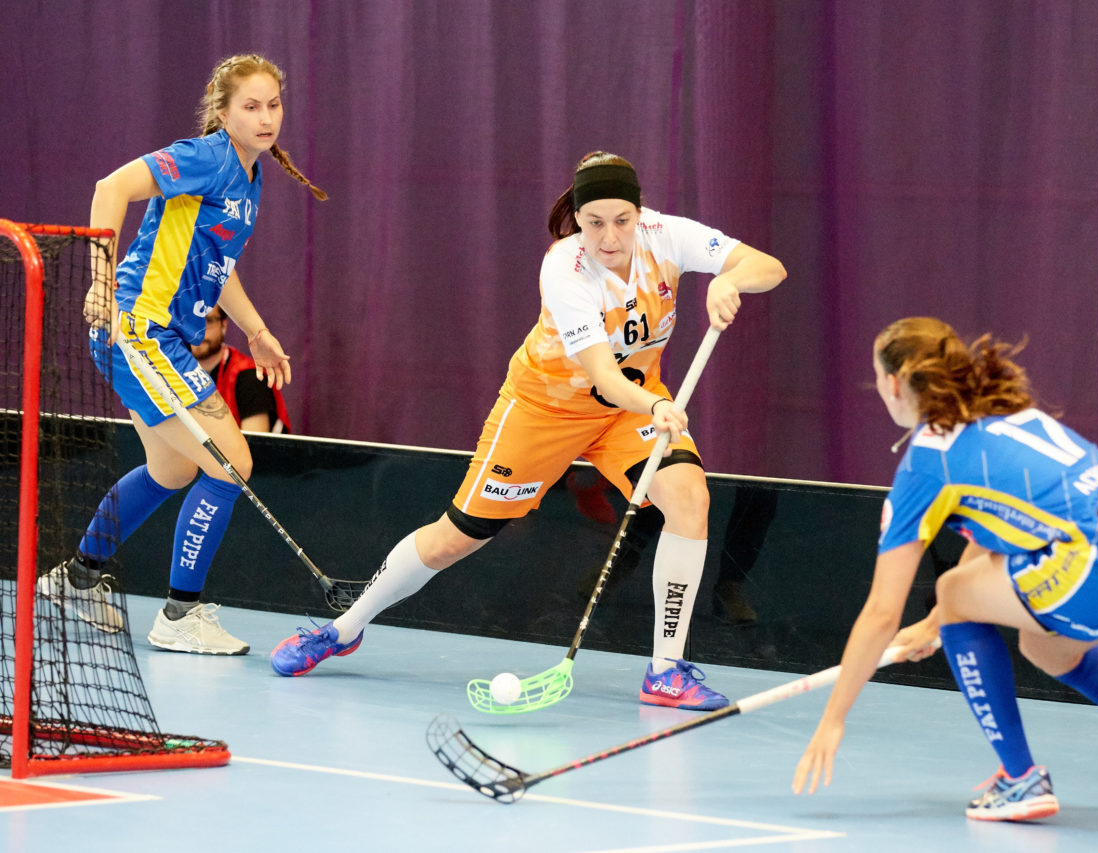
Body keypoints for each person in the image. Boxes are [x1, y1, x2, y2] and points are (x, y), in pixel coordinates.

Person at [271, 151, 786, 710]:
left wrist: (728, 281)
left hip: (626, 413)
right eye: (594, 223)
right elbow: (604, 377)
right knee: (455, 537)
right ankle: (344, 629)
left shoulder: (668, 236)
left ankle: (666, 671)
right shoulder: (565, 270)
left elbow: (769, 266)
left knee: (689, 498)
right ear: (577, 219)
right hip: (546, 412)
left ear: (639, 214)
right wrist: (655, 406)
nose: (610, 237)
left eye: (622, 220)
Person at [791, 317, 1098, 820]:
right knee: (1046, 647)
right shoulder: (1004, 410)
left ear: (895, 383)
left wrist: (834, 718)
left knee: (954, 592)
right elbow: (995, 540)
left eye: (876, 377)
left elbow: (881, 613)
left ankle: (1021, 779)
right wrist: (933, 623)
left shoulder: (927, 461)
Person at [38, 54, 325, 655]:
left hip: (158, 339)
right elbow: (109, 188)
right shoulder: (208, 157)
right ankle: (179, 614)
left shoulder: (250, 175)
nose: (266, 116)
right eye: (251, 106)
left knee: (173, 470)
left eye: (274, 104)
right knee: (232, 463)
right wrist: (101, 279)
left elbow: (217, 268)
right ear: (223, 112)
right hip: (137, 332)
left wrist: (257, 330)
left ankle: (77, 580)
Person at [193, 304, 292, 433]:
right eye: (190, 321)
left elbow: (254, 445)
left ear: (224, 324)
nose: (198, 330)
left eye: (208, 320)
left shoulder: (250, 376)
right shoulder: (173, 372)